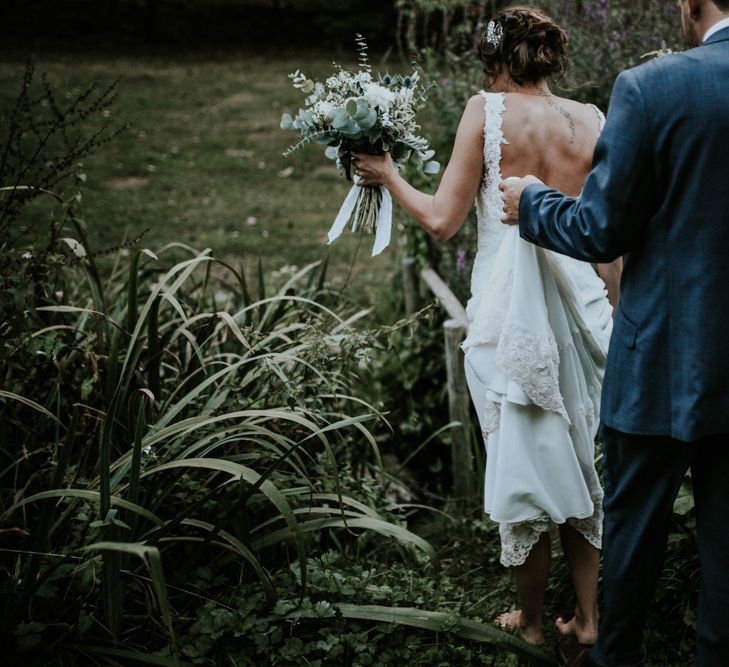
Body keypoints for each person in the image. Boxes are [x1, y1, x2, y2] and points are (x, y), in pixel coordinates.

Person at [353, 5, 621, 650]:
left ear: (493, 60)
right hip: (586, 306)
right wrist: (608, 314)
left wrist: (387, 174)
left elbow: (445, 220)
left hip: (512, 310)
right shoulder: (593, 120)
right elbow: (609, 239)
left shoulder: (487, 109)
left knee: (524, 461)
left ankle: (531, 624)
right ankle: (589, 619)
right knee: (585, 459)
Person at [499, 0, 729, 665]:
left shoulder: (651, 86)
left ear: (691, 3)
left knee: (631, 539)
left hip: (658, 359)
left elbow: (600, 227)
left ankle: (615, 654)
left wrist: (532, 203)